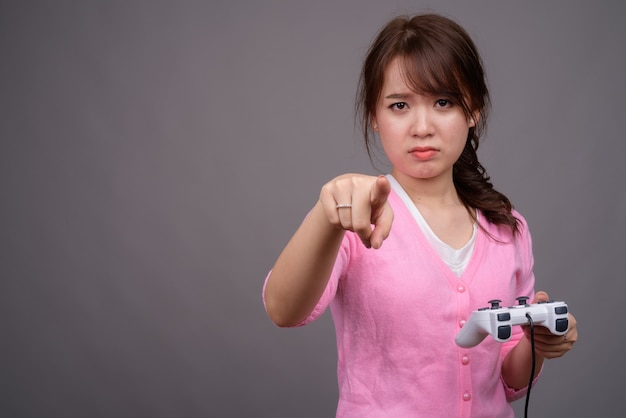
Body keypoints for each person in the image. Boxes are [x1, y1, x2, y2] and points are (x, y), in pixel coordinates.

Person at [262, 13, 578, 418]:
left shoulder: (507, 227)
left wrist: (539, 345)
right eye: (399, 105)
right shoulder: (355, 211)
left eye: (443, 102)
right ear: (375, 116)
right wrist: (327, 215)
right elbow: (283, 311)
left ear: (473, 110)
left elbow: (508, 382)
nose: (422, 126)